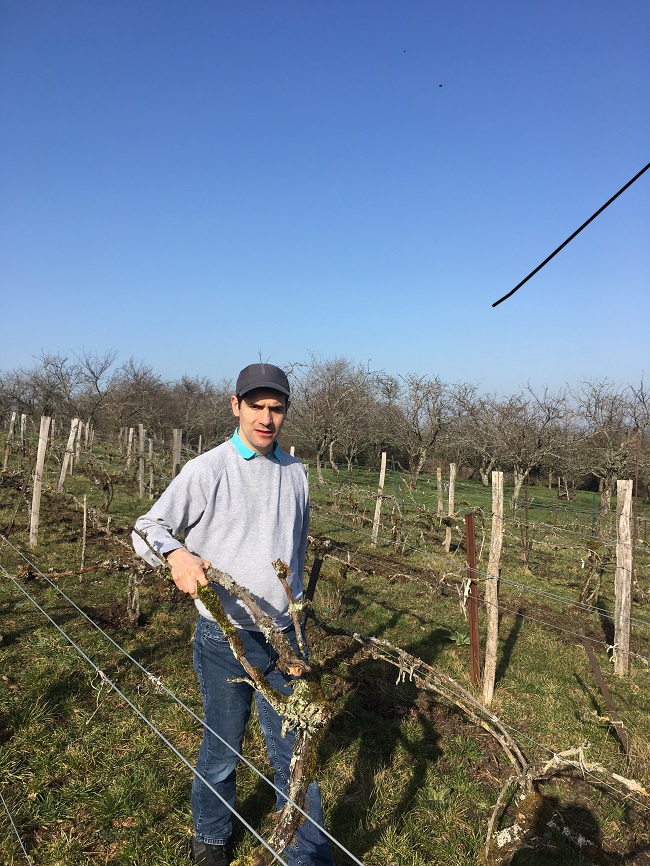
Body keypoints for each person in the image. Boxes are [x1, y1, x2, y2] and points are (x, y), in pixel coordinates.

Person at [132, 363, 334, 866]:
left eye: (276, 407)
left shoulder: (297, 473)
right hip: (226, 641)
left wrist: (296, 611)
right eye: (256, 406)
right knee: (223, 750)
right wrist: (177, 556)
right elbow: (145, 528)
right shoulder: (208, 469)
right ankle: (212, 840)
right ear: (235, 406)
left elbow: (296, 549)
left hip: (286, 640)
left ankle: (307, 855)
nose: (267, 417)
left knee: (294, 754)